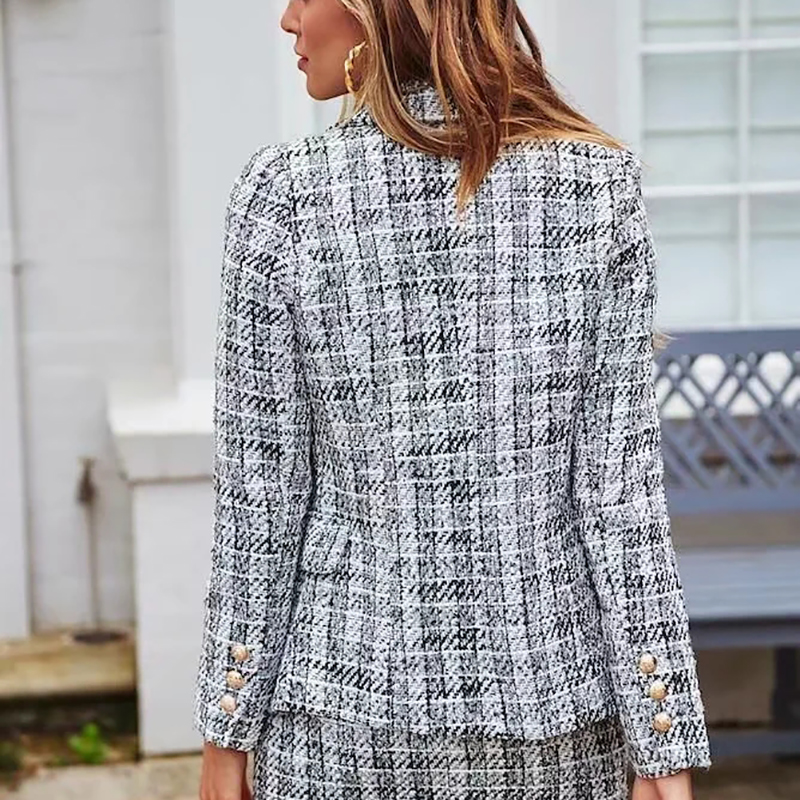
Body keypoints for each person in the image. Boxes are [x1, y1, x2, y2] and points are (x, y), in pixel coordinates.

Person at [193, 1, 713, 798]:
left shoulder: (283, 198)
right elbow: (619, 500)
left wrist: (226, 730)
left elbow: (261, 500)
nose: (288, 19)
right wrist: (662, 740)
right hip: (554, 719)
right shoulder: (597, 188)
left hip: (339, 721)